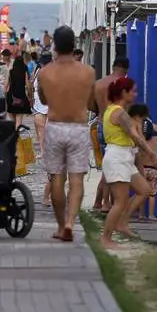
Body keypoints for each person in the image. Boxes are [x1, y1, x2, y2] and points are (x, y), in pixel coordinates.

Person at [37, 26, 95, 242]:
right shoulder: (88, 72)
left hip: (55, 126)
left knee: (56, 180)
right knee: (77, 179)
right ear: (74, 45)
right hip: (78, 127)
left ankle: (61, 226)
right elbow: (90, 102)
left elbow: (43, 101)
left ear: (54, 46)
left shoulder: (45, 73)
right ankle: (71, 222)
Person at [100, 78, 157, 249]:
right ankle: (106, 238)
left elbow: (136, 136)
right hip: (117, 157)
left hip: (125, 157)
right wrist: (152, 154)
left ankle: (122, 223)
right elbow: (135, 137)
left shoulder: (117, 111)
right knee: (120, 201)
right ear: (123, 93)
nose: (135, 94)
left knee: (145, 190)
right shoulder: (119, 113)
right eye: (132, 91)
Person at [91, 57, 130, 214]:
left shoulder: (99, 83)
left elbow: (89, 105)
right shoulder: (123, 86)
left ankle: (98, 202)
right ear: (126, 70)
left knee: (106, 167)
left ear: (113, 66)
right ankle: (106, 203)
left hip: (101, 124)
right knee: (111, 169)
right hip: (115, 128)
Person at [127, 103, 157, 221]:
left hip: (142, 169)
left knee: (141, 192)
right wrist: (156, 129)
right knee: (152, 194)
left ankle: (141, 214)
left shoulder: (140, 142)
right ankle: (152, 214)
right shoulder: (155, 140)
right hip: (153, 170)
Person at [32, 52, 52, 206]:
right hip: (43, 104)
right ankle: (44, 151)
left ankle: (43, 151)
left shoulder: (40, 72)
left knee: (41, 130)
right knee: (42, 129)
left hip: (41, 104)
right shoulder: (47, 73)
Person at [6, 56, 31, 128]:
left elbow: (5, 86)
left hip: (11, 96)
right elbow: (28, 84)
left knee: (13, 122)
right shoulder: (24, 72)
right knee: (19, 120)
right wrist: (30, 95)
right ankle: (16, 137)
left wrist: (5, 98)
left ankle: (13, 137)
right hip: (21, 96)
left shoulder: (10, 72)